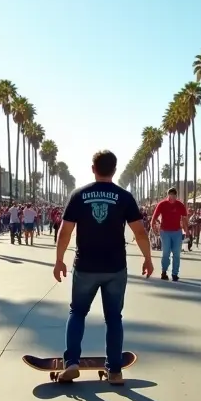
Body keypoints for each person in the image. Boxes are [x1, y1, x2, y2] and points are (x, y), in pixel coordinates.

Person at [52, 150, 152, 385]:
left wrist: (59, 260)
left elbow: (65, 231)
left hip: (85, 266)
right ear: (114, 170)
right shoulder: (124, 197)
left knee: (77, 312)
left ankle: (72, 362)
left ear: (93, 169)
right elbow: (140, 232)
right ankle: (115, 371)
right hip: (115, 267)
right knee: (114, 318)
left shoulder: (79, 195)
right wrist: (148, 258)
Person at [151, 187, 187, 281]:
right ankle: (164, 271)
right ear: (168, 195)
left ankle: (175, 273)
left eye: (174, 195)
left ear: (176, 195)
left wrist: (186, 230)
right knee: (166, 252)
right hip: (165, 231)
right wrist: (153, 227)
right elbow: (154, 217)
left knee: (176, 253)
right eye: (170, 195)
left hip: (177, 232)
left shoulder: (180, 205)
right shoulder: (162, 204)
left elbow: (184, 218)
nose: (172, 197)